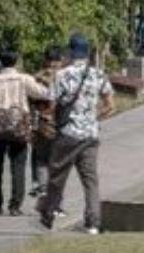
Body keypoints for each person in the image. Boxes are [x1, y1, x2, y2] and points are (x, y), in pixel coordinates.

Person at [39, 32, 114, 234]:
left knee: (57, 176)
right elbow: (109, 106)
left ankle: (48, 212)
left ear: (70, 51)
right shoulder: (99, 74)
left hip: (68, 134)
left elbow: (51, 105)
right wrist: (92, 118)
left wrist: (52, 121)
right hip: (90, 135)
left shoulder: (61, 75)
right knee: (90, 181)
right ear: (87, 52)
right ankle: (93, 222)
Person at [0, 49, 49, 217]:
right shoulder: (24, 79)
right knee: (18, 166)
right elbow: (43, 93)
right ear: (17, 62)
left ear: (0, 62)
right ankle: (15, 205)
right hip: (19, 127)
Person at [29, 46, 64, 201]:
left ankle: (42, 188)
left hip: (41, 123)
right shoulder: (65, 77)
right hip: (61, 123)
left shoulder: (36, 77)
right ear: (59, 61)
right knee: (57, 161)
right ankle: (55, 196)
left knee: (41, 158)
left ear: (45, 60)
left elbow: (30, 100)